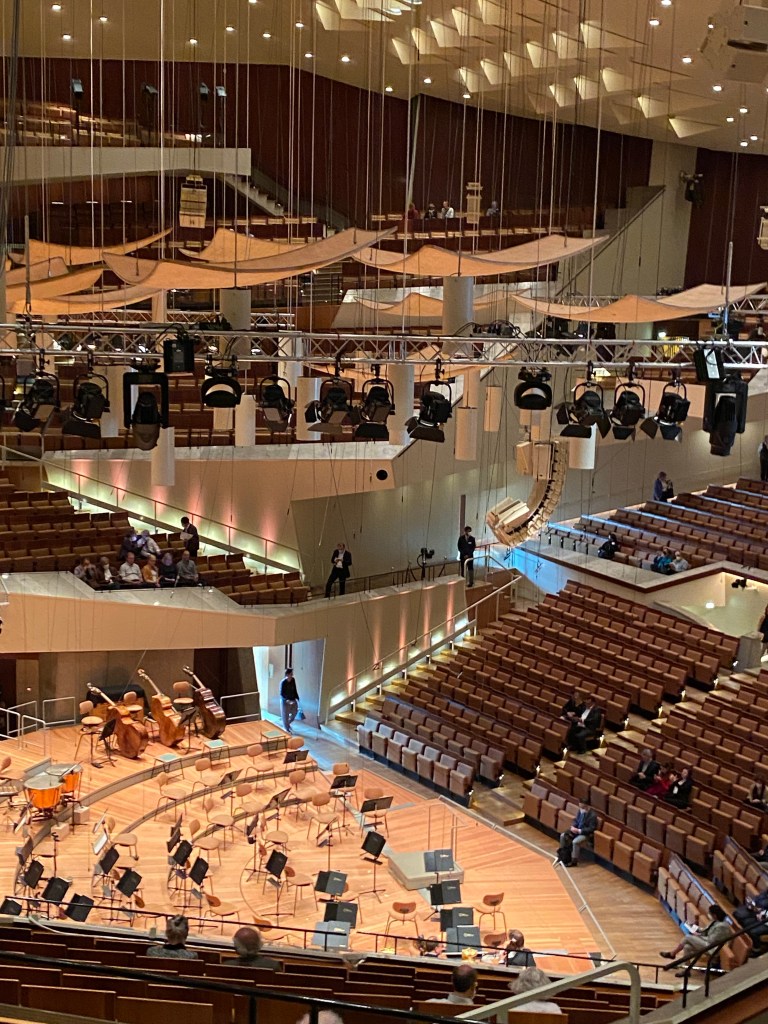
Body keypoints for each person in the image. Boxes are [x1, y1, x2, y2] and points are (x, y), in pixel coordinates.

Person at [660, 904, 732, 975]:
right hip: (707, 943)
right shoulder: (714, 922)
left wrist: (698, 936)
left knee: (688, 937)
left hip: (712, 948)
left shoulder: (722, 926)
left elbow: (712, 940)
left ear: (715, 915)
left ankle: (672, 954)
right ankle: (686, 970)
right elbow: (705, 931)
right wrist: (694, 927)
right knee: (687, 947)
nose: (709, 914)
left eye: (710, 913)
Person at [558, 799, 598, 866]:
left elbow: (591, 829)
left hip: (585, 834)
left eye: (583, 807)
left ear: (587, 806)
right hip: (576, 830)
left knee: (575, 842)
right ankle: (562, 854)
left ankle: (574, 861)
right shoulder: (580, 811)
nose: (581, 808)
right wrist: (573, 827)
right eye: (580, 807)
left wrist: (579, 831)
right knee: (563, 835)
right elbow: (576, 821)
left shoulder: (593, 816)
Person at [280, 667, 300, 734]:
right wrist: (287, 700)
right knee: (285, 715)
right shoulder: (283, 682)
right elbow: (282, 693)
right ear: (287, 675)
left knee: (294, 712)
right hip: (285, 701)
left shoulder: (293, 680)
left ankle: (287, 724)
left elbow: (295, 689)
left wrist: (297, 697)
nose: (291, 675)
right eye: (290, 674)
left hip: (293, 699)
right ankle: (287, 729)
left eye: (292, 674)